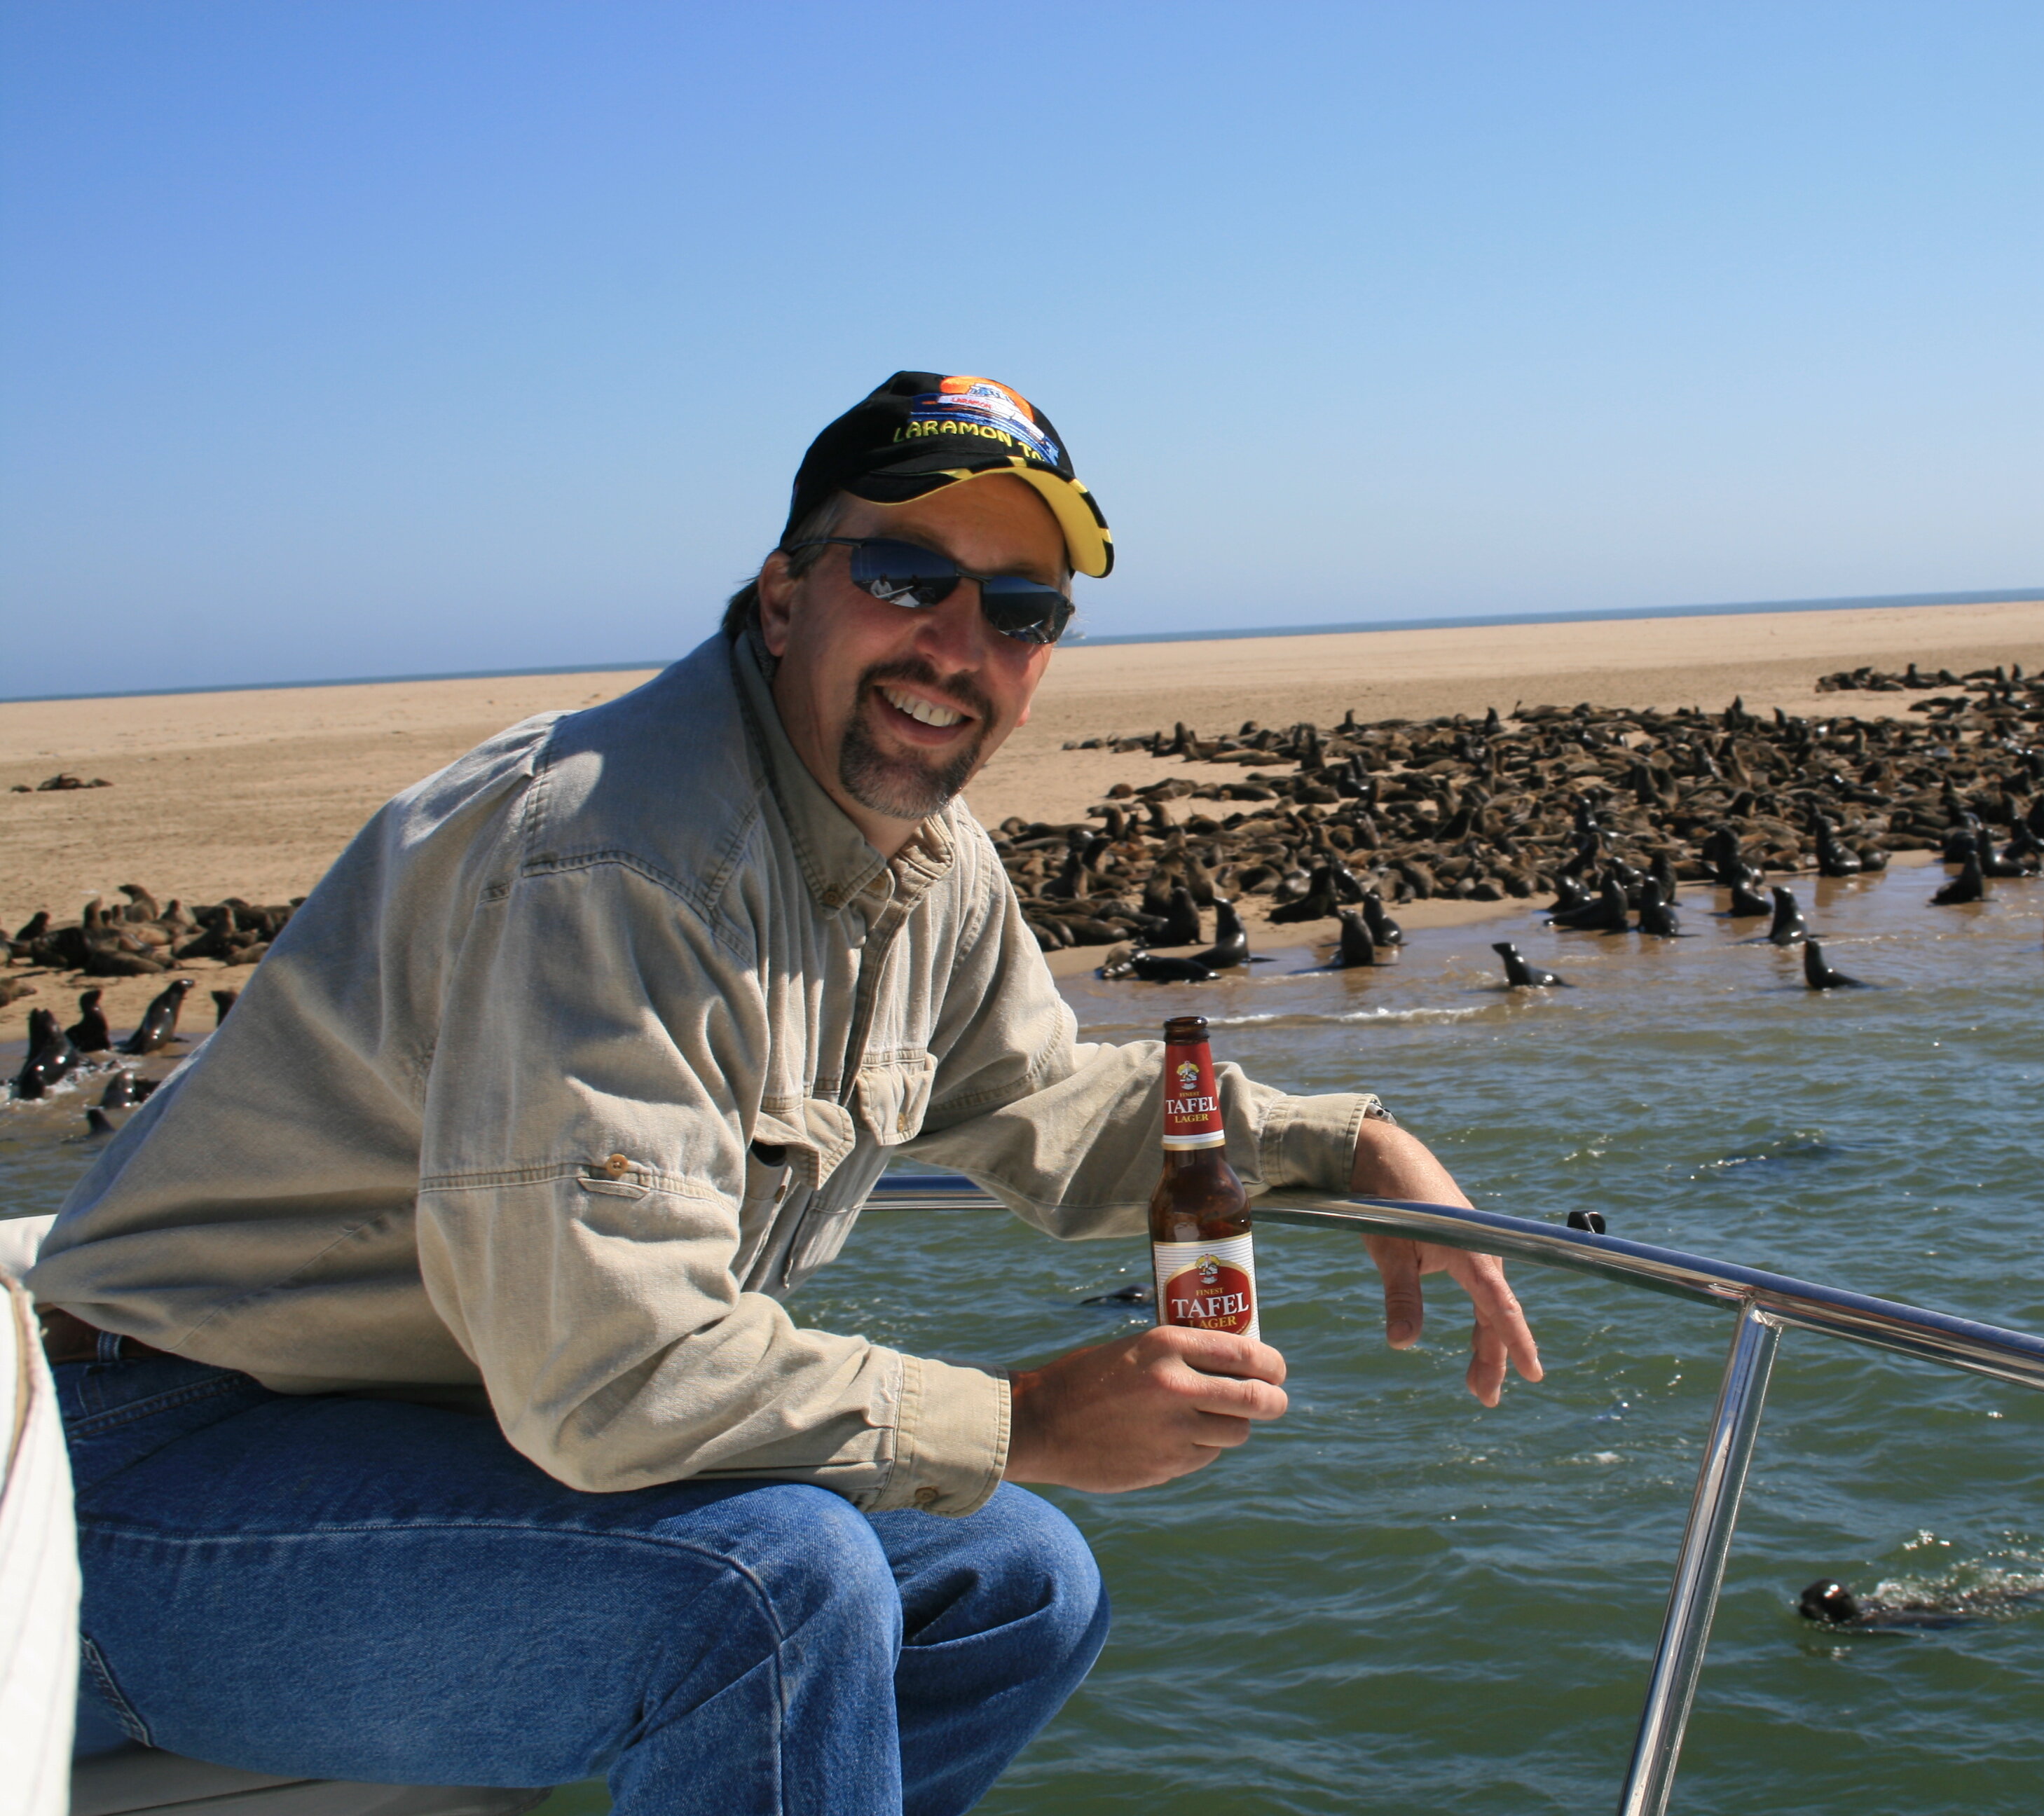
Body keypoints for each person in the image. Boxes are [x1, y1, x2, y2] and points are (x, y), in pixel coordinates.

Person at [29, 370, 1544, 1815]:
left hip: (444, 1446)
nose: (959, 645)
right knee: (779, 1585)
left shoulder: (926, 865)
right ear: (782, 593)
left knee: (1017, 1583)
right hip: (153, 1492)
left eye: (1019, 611)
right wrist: (1028, 1415)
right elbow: (606, 1378)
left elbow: (1053, 1110)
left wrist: (1353, 1142)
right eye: (906, 576)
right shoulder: (611, 856)